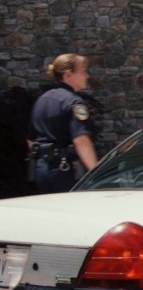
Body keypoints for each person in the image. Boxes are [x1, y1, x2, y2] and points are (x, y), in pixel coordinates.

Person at [28, 53, 98, 193]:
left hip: (40, 169)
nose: (87, 75)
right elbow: (81, 140)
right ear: (68, 75)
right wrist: (96, 172)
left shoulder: (42, 99)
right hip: (64, 169)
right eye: (83, 71)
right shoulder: (74, 102)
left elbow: (30, 140)